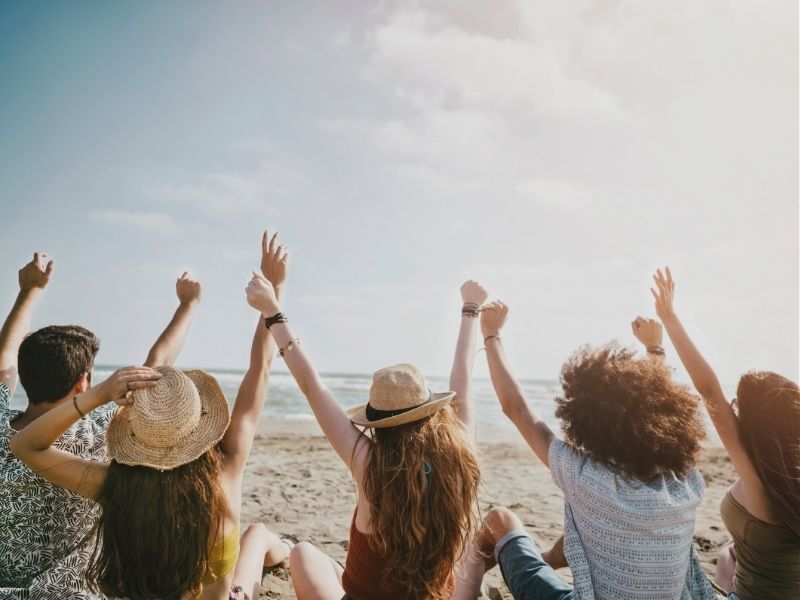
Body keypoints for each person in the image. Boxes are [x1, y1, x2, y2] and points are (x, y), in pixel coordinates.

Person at [11, 231, 293, 600]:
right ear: (200, 426)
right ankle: (286, 547)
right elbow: (261, 367)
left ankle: (283, 546)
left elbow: (25, 445)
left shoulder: (114, 486)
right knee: (256, 536)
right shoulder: (225, 476)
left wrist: (95, 395)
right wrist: (275, 296)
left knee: (258, 539)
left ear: (136, 433)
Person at [244, 271, 486, 600]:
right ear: (431, 412)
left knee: (301, 555)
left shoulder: (369, 465)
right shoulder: (459, 461)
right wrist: (470, 309)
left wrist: (272, 312)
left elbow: (314, 389)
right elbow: (464, 385)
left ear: (379, 426)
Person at [462, 299, 719, 600]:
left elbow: (516, 408)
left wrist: (491, 334)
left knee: (499, 520)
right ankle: (546, 559)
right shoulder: (685, 484)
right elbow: (652, 408)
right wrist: (655, 350)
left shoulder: (585, 477)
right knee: (579, 537)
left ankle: (465, 589)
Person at [0, 254, 201, 597]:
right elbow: (158, 364)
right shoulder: (100, 429)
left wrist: (29, 291)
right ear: (83, 383)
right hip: (65, 591)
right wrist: (189, 305)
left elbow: (4, 359)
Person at [651, 267, 800, 599]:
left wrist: (669, 318)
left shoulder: (758, 477)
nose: (731, 409)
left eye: (737, 406)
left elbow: (707, 387)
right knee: (726, 555)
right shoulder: (790, 476)